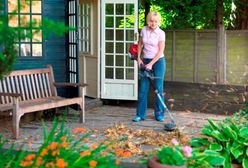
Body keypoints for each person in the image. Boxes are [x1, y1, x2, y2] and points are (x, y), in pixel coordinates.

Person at [133, 11, 166, 122]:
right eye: (151, 21)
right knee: (143, 89)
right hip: (145, 60)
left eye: (155, 21)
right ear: (148, 20)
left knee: (158, 88)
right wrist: (138, 58)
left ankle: (159, 114)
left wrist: (151, 64)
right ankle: (140, 115)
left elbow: (161, 50)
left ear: (158, 22)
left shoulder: (161, 33)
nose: (153, 23)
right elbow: (140, 44)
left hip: (158, 62)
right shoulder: (144, 30)